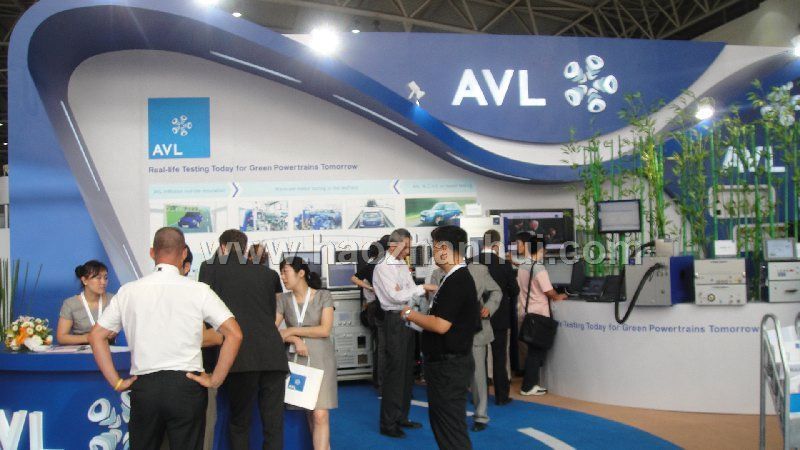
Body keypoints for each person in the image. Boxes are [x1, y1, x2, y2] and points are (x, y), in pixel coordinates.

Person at [88, 227, 243, 450]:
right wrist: (215, 379)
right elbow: (234, 333)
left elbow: (96, 336)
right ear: (184, 253)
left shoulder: (129, 291)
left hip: (145, 386)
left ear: (152, 252)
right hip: (187, 385)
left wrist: (116, 381)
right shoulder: (199, 290)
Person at [199, 229, 288, 450]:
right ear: (245, 248)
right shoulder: (268, 274)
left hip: (239, 356)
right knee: (273, 424)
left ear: (222, 247)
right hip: (273, 356)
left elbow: (205, 314)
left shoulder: (209, 268)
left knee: (239, 422)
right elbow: (270, 314)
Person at [401, 225, 480, 450]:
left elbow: (440, 325)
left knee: (450, 429)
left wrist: (410, 314)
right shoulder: (451, 278)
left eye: (435, 247)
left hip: (449, 367)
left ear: (445, 248)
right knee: (445, 426)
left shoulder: (458, 280)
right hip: (446, 365)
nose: (433, 252)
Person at [372, 228, 437, 438]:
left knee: (407, 371)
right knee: (395, 373)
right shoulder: (383, 266)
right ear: (394, 245)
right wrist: (420, 288)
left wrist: (412, 291)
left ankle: (401, 416)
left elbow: (407, 291)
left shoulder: (400, 264)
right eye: (406, 247)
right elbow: (395, 296)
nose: (408, 251)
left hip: (408, 317)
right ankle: (388, 423)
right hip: (394, 320)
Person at [430, 253, 501, 431]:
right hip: (449, 333)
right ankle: (452, 414)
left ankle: (481, 416)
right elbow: (433, 301)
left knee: (477, 376)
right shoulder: (437, 274)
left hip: (476, 331)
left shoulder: (479, 270)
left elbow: (496, 291)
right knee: (450, 374)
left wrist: (489, 307)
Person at [275, 257, 337, 450]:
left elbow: (324, 330)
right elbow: (273, 332)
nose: (282, 277)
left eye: (286, 272)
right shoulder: (283, 299)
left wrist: (292, 331)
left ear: (301, 273)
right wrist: (294, 339)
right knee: (310, 410)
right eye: (281, 272)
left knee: (320, 413)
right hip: (296, 359)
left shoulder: (323, 296)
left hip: (321, 358)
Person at [467, 229, 519, 406]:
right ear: (497, 245)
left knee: (478, 358)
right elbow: (514, 290)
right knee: (499, 357)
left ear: (483, 243)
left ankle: (478, 397)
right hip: (500, 317)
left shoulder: (470, 262)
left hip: (476, 318)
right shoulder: (504, 265)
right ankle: (501, 396)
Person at [516, 232, 567, 396]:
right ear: (541, 250)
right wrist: (559, 296)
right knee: (535, 352)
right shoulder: (538, 268)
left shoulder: (523, 266)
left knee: (532, 350)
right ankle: (528, 386)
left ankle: (531, 384)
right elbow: (549, 291)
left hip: (526, 313)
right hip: (538, 314)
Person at [350, 236, 389, 392]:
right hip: (378, 308)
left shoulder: (375, 264)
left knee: (379, 346)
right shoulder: (377, 265)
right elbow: (354, 278)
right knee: (382, 347)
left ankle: (379, 381)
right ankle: (381, 383)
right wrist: (372, 288)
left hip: (373, 308)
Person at [57, 260, 116, 345]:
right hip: (82, 350)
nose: (103, 282)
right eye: (98, 278)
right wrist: (90, 337)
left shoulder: (113, 300)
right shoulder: (70, 304)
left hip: (109, 349)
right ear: (84, 280)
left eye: (105, 278)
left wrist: (115, 331)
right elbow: (61, 338)